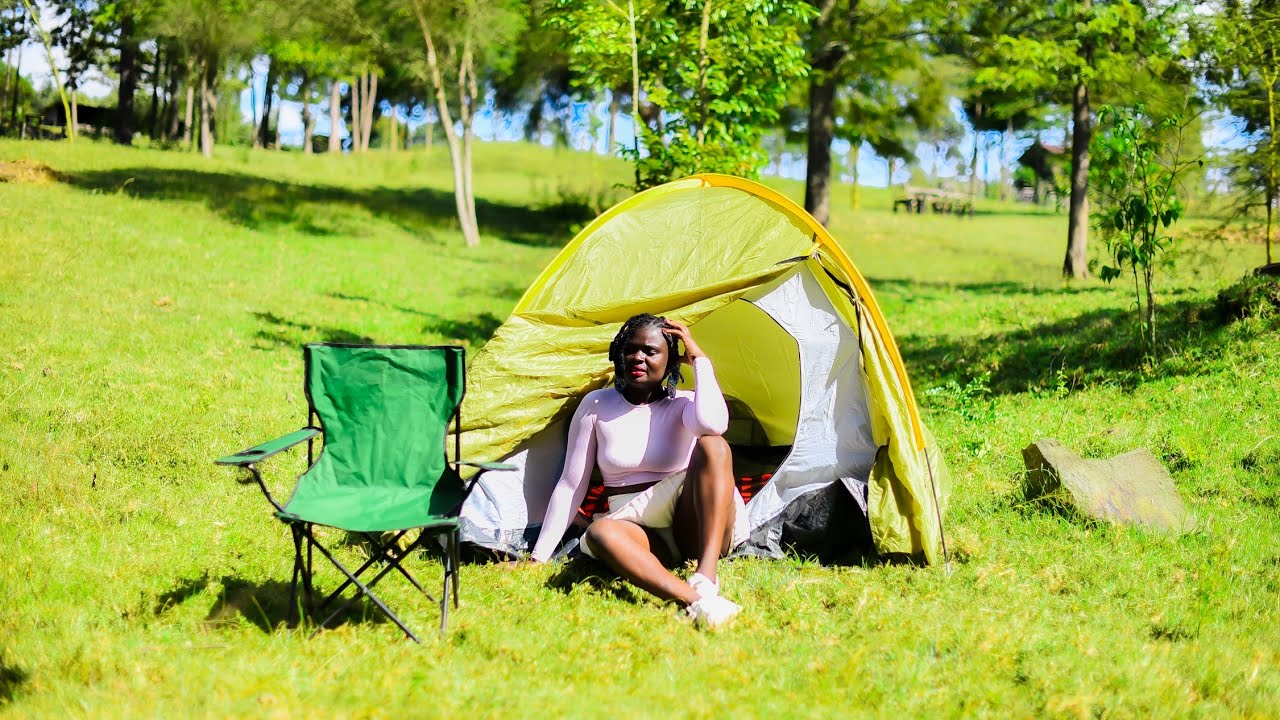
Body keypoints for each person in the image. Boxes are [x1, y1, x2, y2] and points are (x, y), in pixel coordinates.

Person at [526, 313, 748, 628]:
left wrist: (700, 360)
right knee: (600, 532)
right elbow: (570, 484)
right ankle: (698, 603)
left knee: (714, 445)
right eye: (630, 349)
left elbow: (714, 425)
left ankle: (706, 576)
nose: (637, 357)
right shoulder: (597, 405)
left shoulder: (684, 404)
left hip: (690, 523)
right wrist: (539, 558)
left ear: (671, 359)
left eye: (650, 350)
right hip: (636, 526)